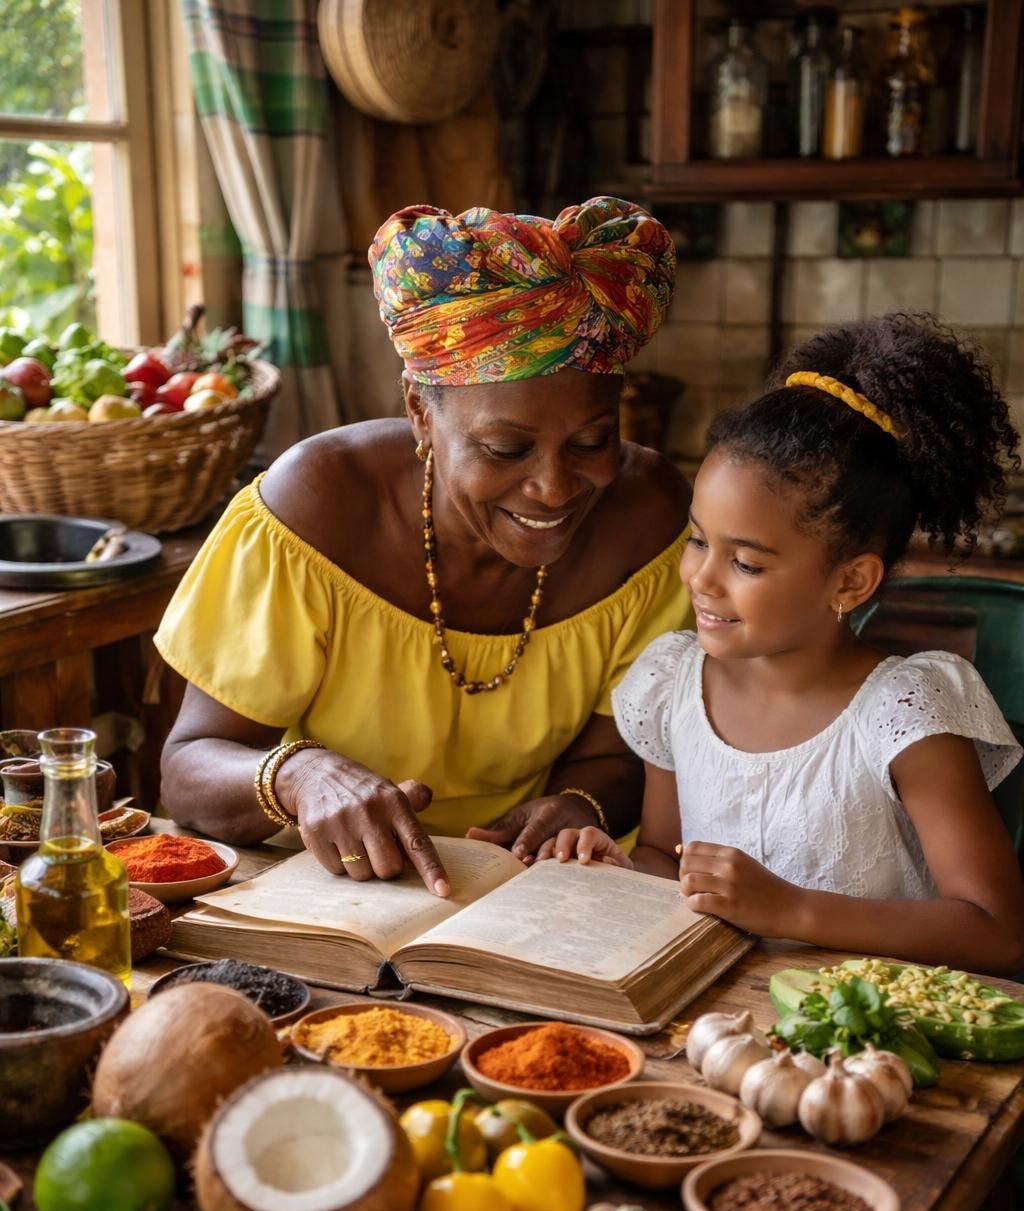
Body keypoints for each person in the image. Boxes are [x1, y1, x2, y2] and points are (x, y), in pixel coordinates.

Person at [156, 198, 691, 890]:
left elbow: (619, 751)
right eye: (506, 448)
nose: (555, 488)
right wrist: (297, 773)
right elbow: (191, 766)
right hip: (326, 888)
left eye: (591, 443)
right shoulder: (316, 509)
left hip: (533, 891)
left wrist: (578, 804)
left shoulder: (645, 518)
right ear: (419, 410)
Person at [538, 311, 1024, 977]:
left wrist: (791, 909)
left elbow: (998, 931)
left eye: (747, 564)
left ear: (851, 580)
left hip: (872, 1039)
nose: (701, 579)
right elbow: (665, 855)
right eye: (699, 540)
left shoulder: (905, 714)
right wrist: (616, 869)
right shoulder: (673, 685)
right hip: (721, 1018)